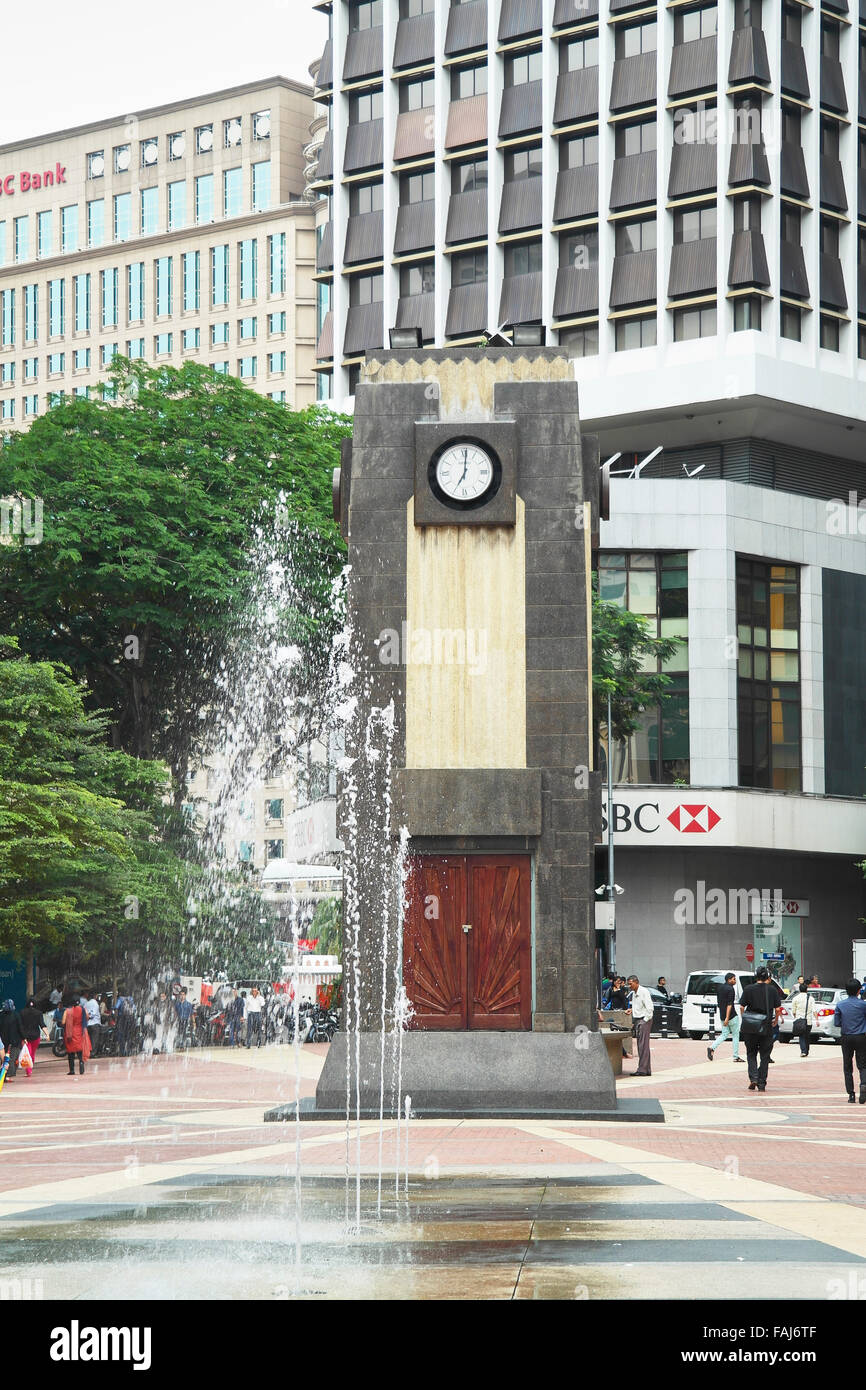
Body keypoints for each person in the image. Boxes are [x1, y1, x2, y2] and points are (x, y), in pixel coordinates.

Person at [738, 966, 781, 1093]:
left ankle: (754, 1077)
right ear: (767, 977)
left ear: (756, 976)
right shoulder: (772, 990)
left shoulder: (748, 989)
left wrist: (745, 1018)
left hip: (751, 1027)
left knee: (751, 1053)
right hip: (766, 1026)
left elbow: (741, 1007)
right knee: (765, 1056)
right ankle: (761, 1083)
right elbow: (778, 1009)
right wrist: (775, 1020)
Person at [833, 980, 866, 1104]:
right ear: (859, 991)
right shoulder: (863, 1005)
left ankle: (851, 1094)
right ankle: (863, 1085)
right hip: (861, 1037)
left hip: (846, 1037)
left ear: (846, 991)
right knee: (863, 1065)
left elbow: (837, 1023)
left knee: (847, 1065)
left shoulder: (840, 1005)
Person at [708, 972, 744, 1063]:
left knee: (724, 1034)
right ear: (729, 979)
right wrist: (727, 1018)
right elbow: (729, 1004)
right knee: (735, 1035)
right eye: (734, 979)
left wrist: (724, 1017)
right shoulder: (731, 989)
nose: (735, 981)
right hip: (731, 1016)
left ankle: (712, 1047)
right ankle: (735, 1056)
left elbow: (719, 1003)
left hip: (722, 1015)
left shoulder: (720, 988)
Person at [627, 975, 654, 1076]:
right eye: (628, 984)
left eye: (631, 984)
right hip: (639, 1020)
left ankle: (642, 1070)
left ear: (636, 982)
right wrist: (632, 1010)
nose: (629, 986)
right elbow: (639, 1006)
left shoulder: (644, 992)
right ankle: (646, 1069)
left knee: (643, 1045)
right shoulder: (634, 993)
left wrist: (644, 1021)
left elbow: (650, 1008)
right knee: (642, 1045)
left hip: (644, 1020)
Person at [62, 996, 91, 1076]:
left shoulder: (67, 1011)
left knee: (71, 1052)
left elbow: (63, 1022)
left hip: (70, 1032)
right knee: (79, 1050)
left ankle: (72, 1070)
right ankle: (81, 1063)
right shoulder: (83, 1009)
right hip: (80, 1032)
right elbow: (87, 1017)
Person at [18, 999, 44, 1071]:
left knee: (28, 1052)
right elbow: (42, 1025)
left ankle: (28, 1069)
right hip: (36, 1036)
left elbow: (20, 1025)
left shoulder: (22, 1012)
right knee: (32, 1053)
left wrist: (21, 1035)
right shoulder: (39, 1013)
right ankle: (30, 1068)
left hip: (25, 1036)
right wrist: (47, 1034)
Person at [789, 983, 814, 1058]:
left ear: (799, 989)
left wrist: (795, 1017)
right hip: (808, 1020)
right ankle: (806, 1050)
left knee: (801, 1036)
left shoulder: (795, 998)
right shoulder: (811, 998)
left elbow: (793, 1011)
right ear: (807, 990)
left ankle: (803, 1051)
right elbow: (814, 1009)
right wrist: (817, 1019)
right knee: (807, 1036)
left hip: (799, 1020)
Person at [0, 1000, 22, 1080]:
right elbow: (20, 1027)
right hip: (14, 1041)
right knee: (12, 1058)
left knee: (3, 1058)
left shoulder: (1, 1015)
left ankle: (3, 1074)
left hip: (3, 1040)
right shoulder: (16, 1015)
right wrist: (24, 1037)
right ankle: (8, 1075)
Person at [82, 991, 102, 1057]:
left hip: (88, 1024)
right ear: (95, 996)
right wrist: (89, 1016)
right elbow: (93, 1014)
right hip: (95, 1024)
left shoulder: (86, 1004)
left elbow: (84, 1013)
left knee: (89, 1039)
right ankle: (93, 1053)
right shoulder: (95, 1003)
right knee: (94, 1039)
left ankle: (88, 1052)